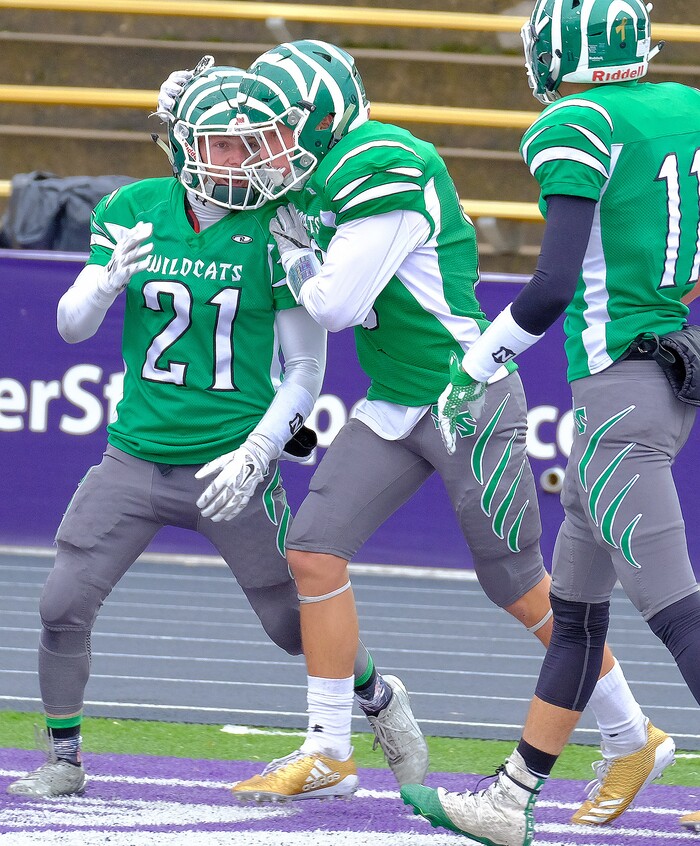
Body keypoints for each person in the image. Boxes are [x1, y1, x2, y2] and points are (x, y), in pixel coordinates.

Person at [202, 38, 675, 812]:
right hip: (393, 400)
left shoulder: (382, 161)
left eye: (277, 128)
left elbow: (337, 305)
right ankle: (327, 746)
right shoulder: (304, 182)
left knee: (520, 587)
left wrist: (292, 258)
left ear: (318, 120)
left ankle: (632, 736)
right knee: (313, 551)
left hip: (465, 395)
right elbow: (309, 333)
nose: (267, 148)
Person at [7, 64, 427, 800]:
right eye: (229, 146)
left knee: (294, 627)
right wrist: (104, 283)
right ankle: (64, 757)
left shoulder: (279, 230)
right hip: (135, 456)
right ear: (186, 147)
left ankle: (374, 692)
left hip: (232, 465)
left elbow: (305, 369)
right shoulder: (134, 209)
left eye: (257, 142)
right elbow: (70, 327)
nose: (249, 159)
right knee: (60, 604)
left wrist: (259, 450)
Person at [400, 1, 700, 843]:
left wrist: (477, 361)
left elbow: (551, 286)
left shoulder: (581, 120)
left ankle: (519, 793)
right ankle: (511, 796)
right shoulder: (685, 107)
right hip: (659, 370)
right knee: (575, 616)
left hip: (619, 390)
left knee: (677, 611)